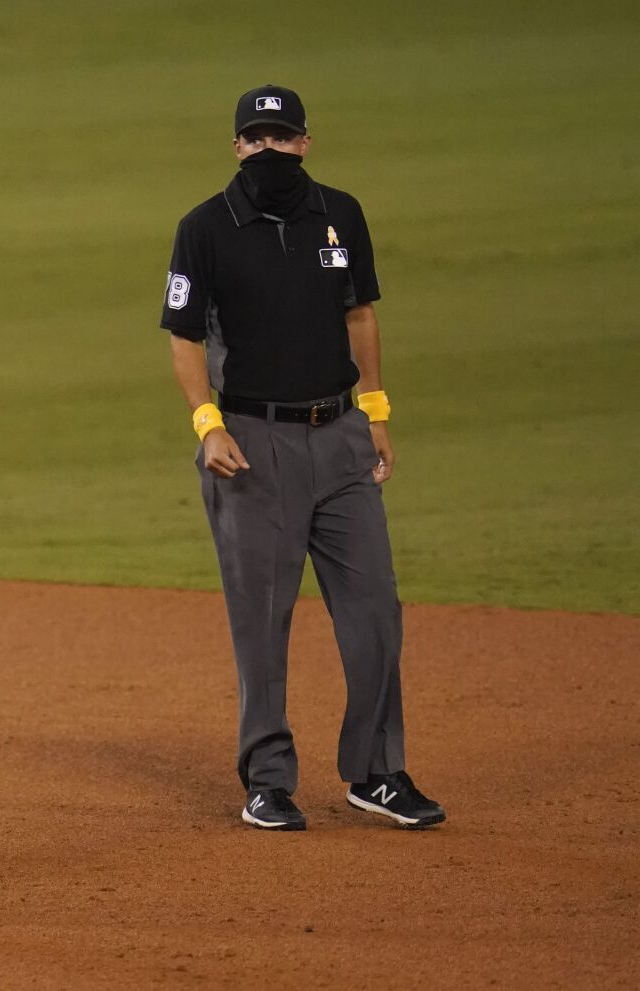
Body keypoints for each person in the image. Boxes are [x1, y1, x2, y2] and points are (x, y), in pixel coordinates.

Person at [160, 84, 445, 831]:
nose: (270, 152)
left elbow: (359, 313)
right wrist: (206, 424)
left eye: (282, 138)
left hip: (343, 437)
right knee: (262, 620)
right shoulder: (205, 228)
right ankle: (268, 778)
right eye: (257, 140)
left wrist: (377, 413)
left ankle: (376, 772)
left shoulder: (340, 214)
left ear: (305, 143)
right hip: (252, 445)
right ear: (236, 148)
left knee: (376, 610)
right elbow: (183, 335)